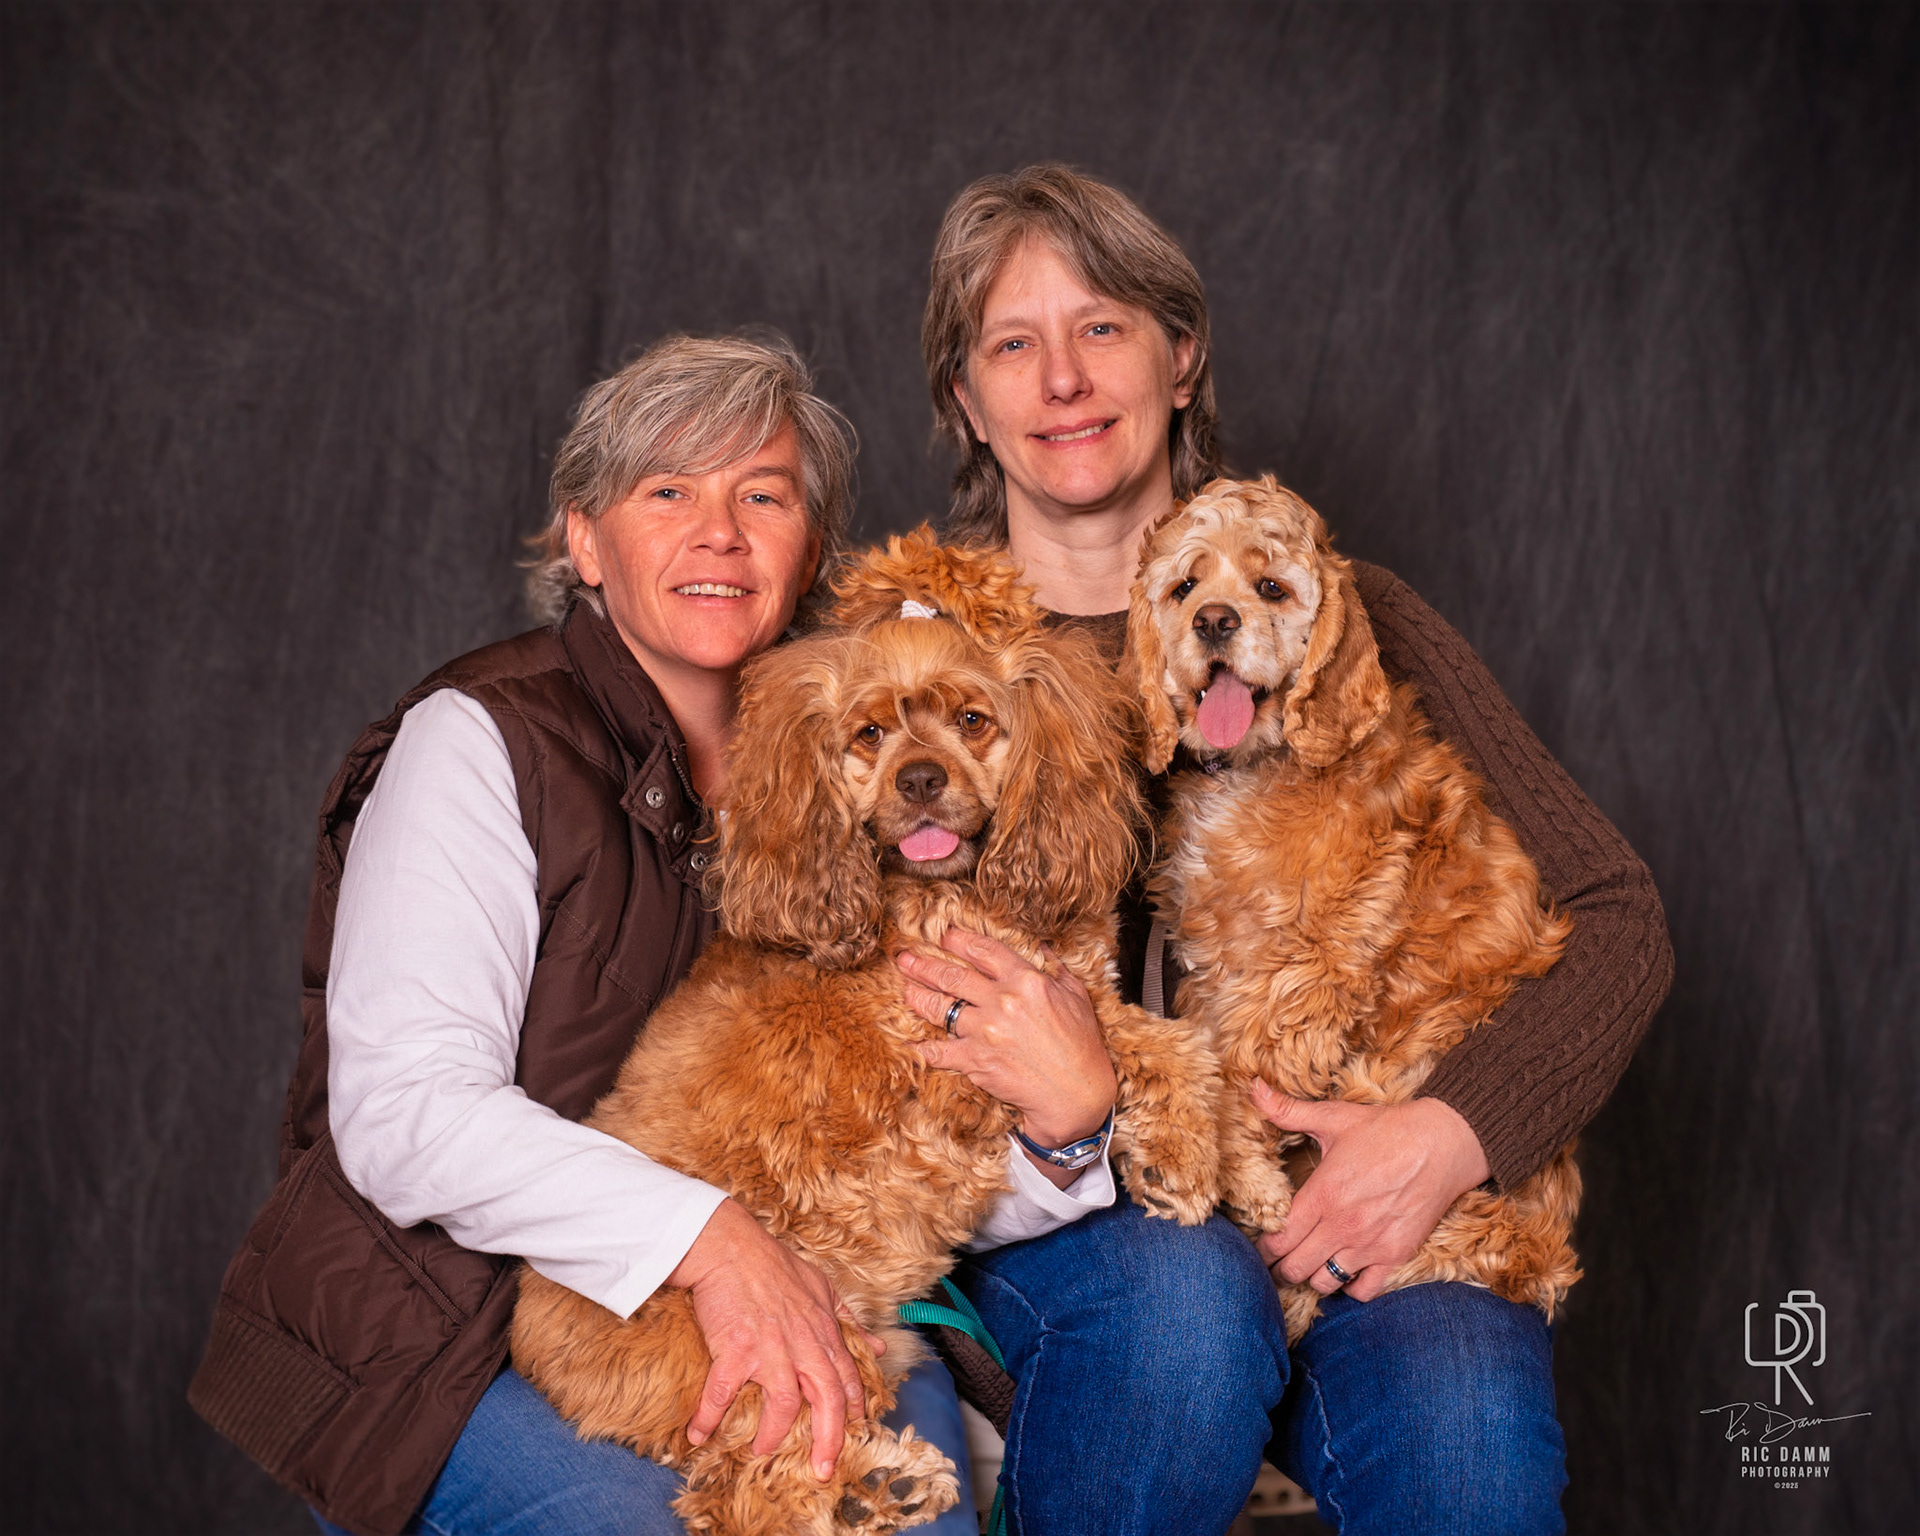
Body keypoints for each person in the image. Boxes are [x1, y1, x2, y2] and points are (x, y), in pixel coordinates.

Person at [191, 332, 1089, 1536]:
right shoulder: (479, 742)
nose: (720, 533)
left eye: (762, 496)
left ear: (812, 549)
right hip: (450, 1331)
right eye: (668, 492)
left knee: (906, 1518)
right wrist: (711, 1241)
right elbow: (405, 1117)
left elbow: (906, 1138)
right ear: (583, 541)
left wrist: (1071, 1127)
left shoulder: (865, 774)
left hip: (802, 1279)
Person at [892, 165, 1675, 1535]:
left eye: (1103, 327)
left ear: (1182, 358)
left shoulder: (1349, 619)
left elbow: (1620, 919)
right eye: (1013, 344)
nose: (1063, 379)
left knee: (1467, 1433)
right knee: (1182, 1328)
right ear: (965, 399)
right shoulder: (918, 660)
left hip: (1350, 1205)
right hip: (1058, 1233)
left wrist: (1447, 1134)